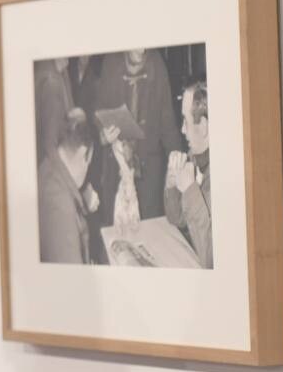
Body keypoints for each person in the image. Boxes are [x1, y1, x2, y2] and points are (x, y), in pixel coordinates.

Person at [93, 48, 181, 222]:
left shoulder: (157, 64)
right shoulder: (111, 61)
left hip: (148, 172)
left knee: (149, 231)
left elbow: (168, 124)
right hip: (116, 167)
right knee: (116, 230)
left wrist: (179, 162)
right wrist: (102, 134)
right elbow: (98, 112)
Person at [38, 109, 100, 264]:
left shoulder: (47, 165)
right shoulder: (62, 210)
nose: (87, 170)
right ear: (82, 153)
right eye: (89, 163)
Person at [165, 81, 212, 268]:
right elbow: (176, 219)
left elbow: (211, 261)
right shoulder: (196, 158)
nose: (183, 130)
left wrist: (191, 191)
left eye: (186, 121)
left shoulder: (227, 176)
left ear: (203, 127)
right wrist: (172, 185)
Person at [34, 56, 75, 163]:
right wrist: (67, 178)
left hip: (59, 150)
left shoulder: (62, 72)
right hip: (50, 160)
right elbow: (49, 144)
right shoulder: (50, 81)